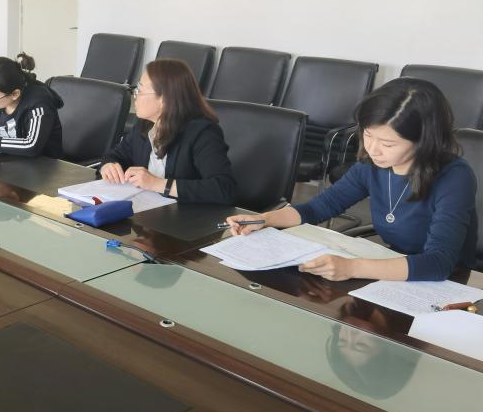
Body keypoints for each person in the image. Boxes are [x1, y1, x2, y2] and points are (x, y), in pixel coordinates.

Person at [227, 78, 478, 282]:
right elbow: (320, 207)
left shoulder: (454, 177)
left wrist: (352, 268)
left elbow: (438, 263)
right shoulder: (373, 165)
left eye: (388, 143)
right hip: (392, 270)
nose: (373, 149)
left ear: (425, 141)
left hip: (447, 282)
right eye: (368, 135)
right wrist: (264, 219)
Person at [98, 59, 237, 204]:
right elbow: (114, 156)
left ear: (164, 99)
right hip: (146, 209)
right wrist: (108, 166)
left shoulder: (202, 133)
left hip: (185, 214)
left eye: (140, 91)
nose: (135, 96)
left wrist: (158, 184)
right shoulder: (145, 125)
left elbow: (224, 189)